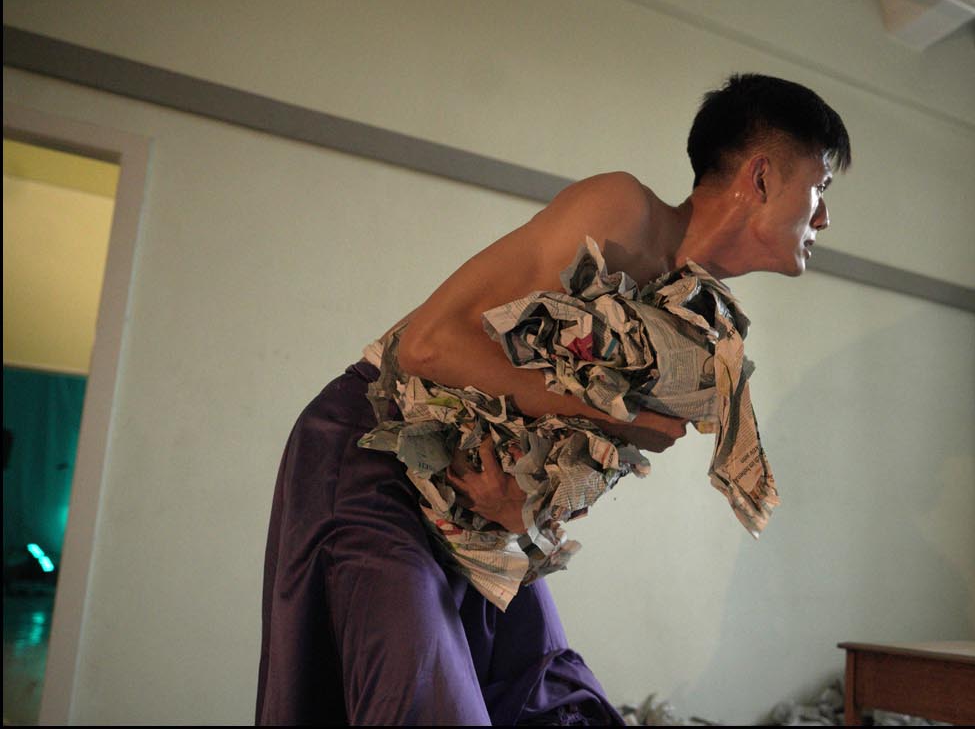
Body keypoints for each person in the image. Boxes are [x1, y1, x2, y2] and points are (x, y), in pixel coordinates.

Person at [257, 73, 851, 725]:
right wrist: (612, 413)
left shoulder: (697, 331)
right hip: (374, 448)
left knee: (556, 706)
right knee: (425, 698)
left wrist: (521, 513)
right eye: (820, 187)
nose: (825, 216)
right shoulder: (623, 211)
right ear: (761, 177)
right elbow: (426, 347)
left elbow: (568, 471)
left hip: (470, 507)